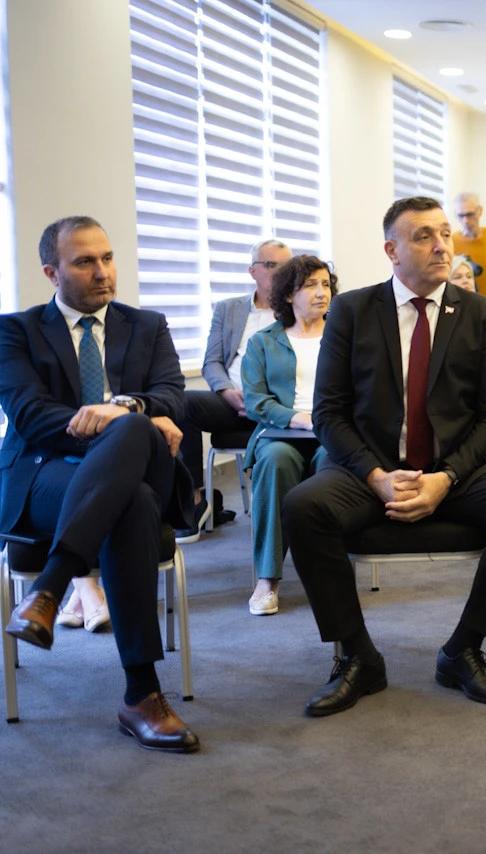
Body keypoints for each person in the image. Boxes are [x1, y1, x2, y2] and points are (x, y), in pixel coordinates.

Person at [282, 196, 486, 717]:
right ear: (392, 250)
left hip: (456, 471)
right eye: (423, 236)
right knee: (302, 507)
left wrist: (446, 478)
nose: (441, 246)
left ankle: (463, 649)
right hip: (369, 469)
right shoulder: (352, 311)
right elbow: (329, 414)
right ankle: (357, 656)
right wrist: (376, 476)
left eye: (445, 234)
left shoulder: (480, 314)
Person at [0, 216, 200, 751]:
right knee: (131, 500)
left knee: (130, 426)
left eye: (107, 258)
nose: (103, 272)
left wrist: (122, 410)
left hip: (142, 461)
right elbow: (30, 417)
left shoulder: (148, 325)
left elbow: (173, 397)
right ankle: (142, 694)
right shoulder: (15, 331)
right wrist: (125, 424)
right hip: (46, 473)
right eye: (85, 262)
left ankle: (49, 588)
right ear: (51, 272)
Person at [239, 255, 337, 616]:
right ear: (289, 294)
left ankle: (330, 575)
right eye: (310, 285)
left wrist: (328, 421)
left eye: (325, 284)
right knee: (275, 461)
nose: (321, 292)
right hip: (281, 432)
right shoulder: (263, 342)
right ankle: (267, 580)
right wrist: (298, 418)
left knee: (333, 461)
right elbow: (255, 401)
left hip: (331, 431)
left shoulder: (345, 336)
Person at [178, 238, 292, 530]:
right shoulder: (228, 309)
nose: (280, 272)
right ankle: (195, 499)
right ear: (252, 271)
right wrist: (227, 392)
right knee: (183, 402)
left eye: (286, 266)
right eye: (271, 265)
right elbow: (212, 362)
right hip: (233, 404)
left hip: (280, 406)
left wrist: (264, 401)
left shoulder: (297, 308)